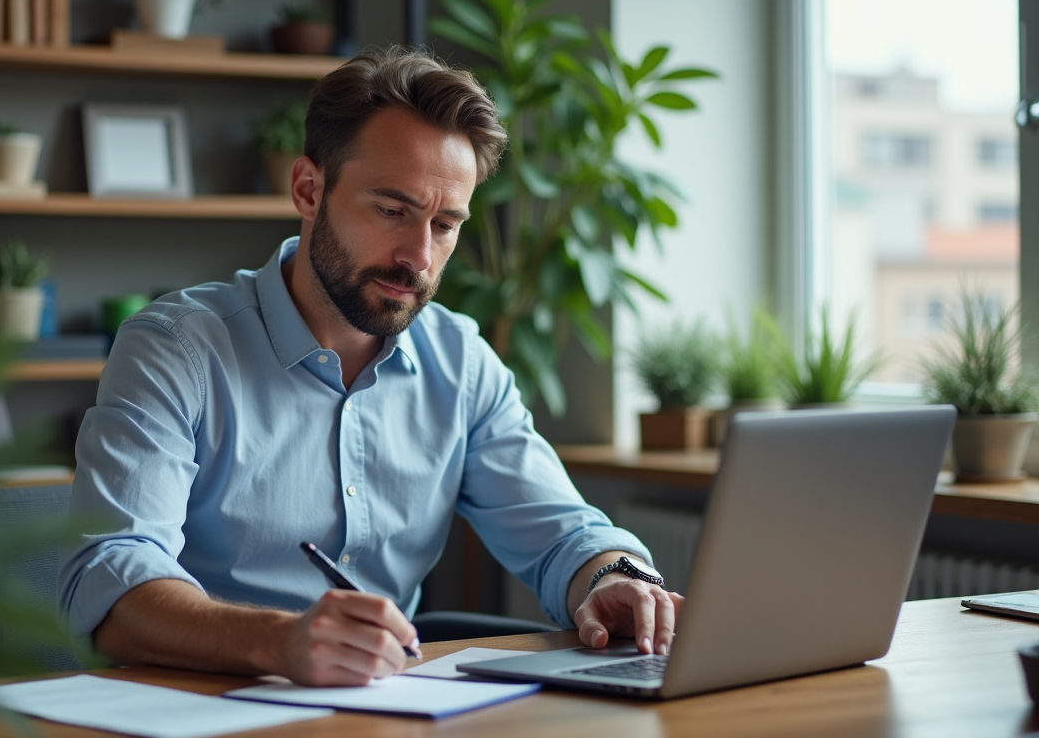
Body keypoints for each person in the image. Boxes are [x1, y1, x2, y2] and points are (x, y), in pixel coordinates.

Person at [58, 47, 680, 687]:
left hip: (383, 707)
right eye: (392, 211)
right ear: (308, 188)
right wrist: (281, 642)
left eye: (444, 225)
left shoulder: (461, 362)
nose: (418, 256)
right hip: (196, 704)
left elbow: (561, 533)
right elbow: (109, 578)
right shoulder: (176, 349)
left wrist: (616, 578)